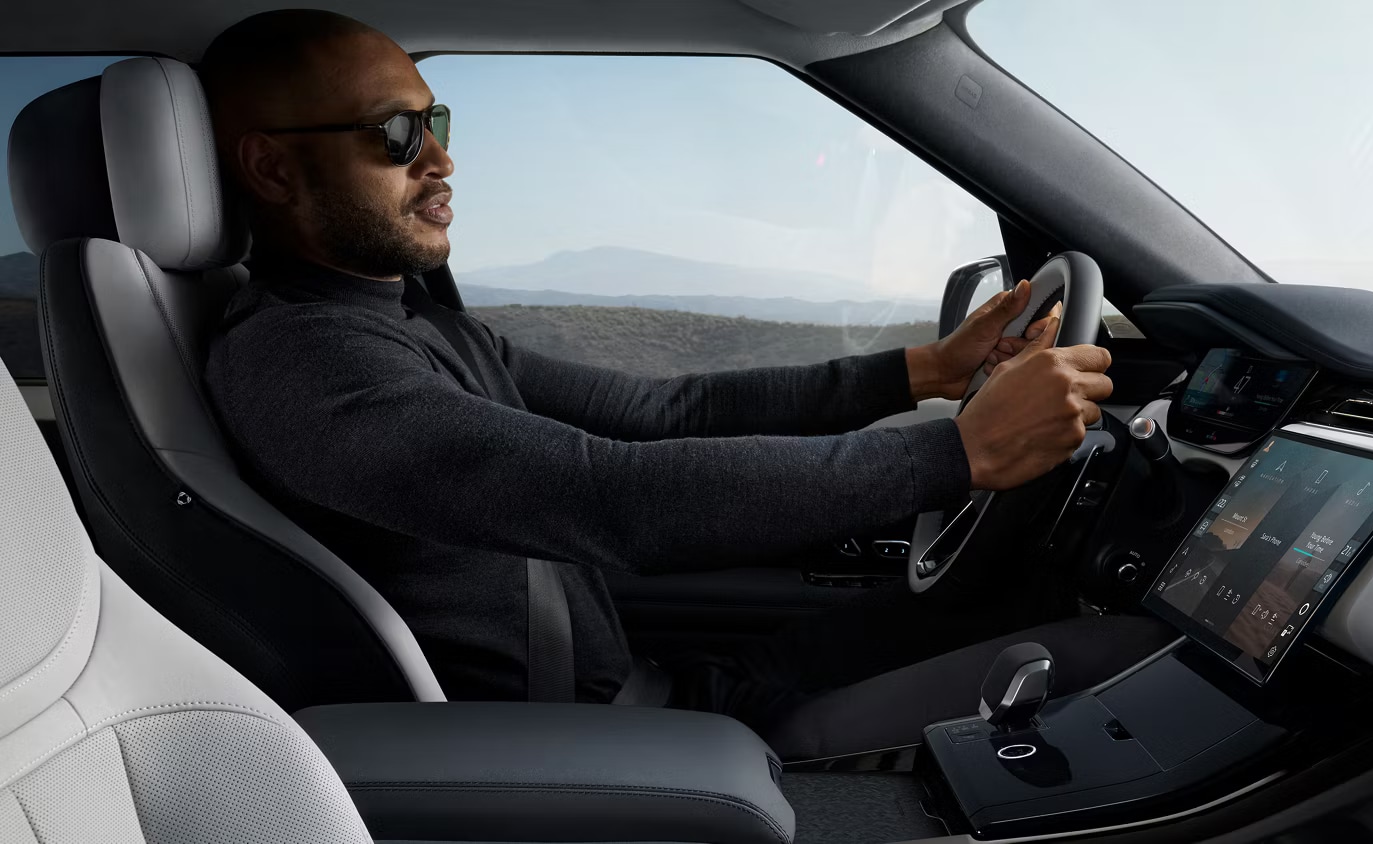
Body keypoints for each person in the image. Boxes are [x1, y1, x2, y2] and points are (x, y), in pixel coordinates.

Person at [199, 10, 1169, 757]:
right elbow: (610, 498)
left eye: (436, 121)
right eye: (396, 132)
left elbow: (664, 412)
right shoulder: (305, 361)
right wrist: (961, 450)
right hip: (588, 746)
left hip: (648, 688)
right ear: (273, 170)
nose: (443, 157)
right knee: (1112, 663)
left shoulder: (410, 322)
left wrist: (930, 370)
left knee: (995, 615)